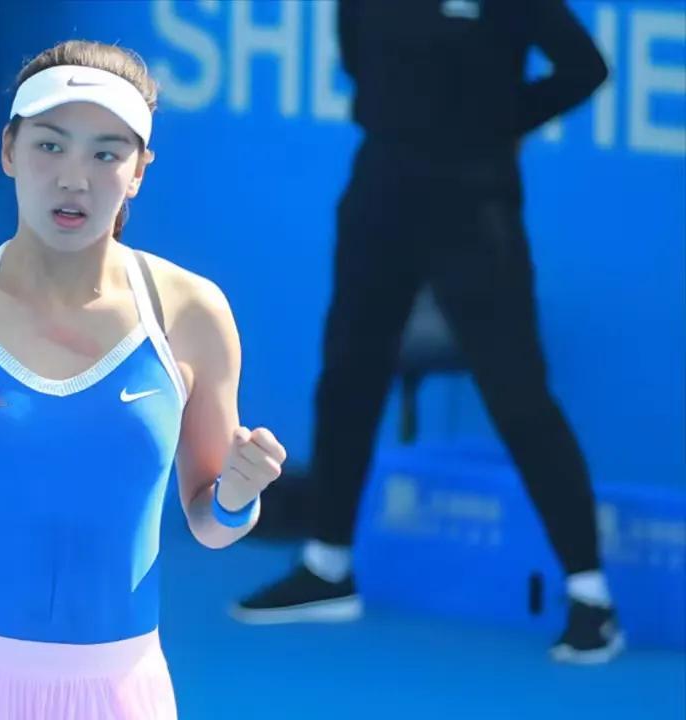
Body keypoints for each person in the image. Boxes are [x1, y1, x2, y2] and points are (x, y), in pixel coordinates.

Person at [0, 40, 286, 719]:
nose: (75, 178)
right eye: (50, 146)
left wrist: (236, 498)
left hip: (118, 695)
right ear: (9, 151)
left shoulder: (194, 314)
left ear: (138, 172)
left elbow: (210, 521)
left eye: (106, 154)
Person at [231, 0, 620, 664]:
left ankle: (592, 598)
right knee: (348, 377)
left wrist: (496, 122)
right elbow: (357, 55)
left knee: (518, 395)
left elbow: (585, 68)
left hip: (476, 203)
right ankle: (328, 567)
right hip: (380, 189)